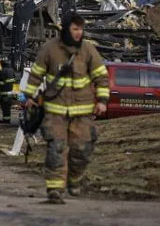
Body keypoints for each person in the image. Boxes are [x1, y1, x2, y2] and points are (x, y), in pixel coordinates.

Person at [24, 12, 109, 204]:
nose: (79, 33)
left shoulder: (88, 50)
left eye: (81, 29)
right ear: (66, 29)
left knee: (82, 150)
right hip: (55, 111)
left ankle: (74, 179)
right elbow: (36, 74)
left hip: (82, 113)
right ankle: (55, 190)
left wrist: (102, 100)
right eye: (75, 29)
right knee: (56, 149)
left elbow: (101, 76)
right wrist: (29, 97)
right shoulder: (50, 49)